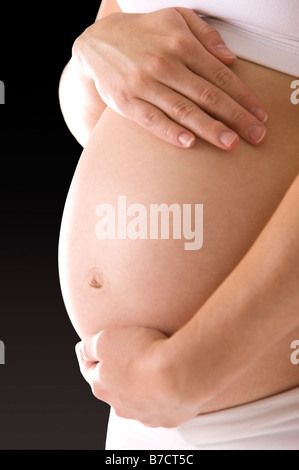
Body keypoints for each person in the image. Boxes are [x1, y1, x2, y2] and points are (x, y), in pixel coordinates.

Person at [58, 0, 299, 450]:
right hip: (142, 405)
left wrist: (194, 368)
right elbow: (92, 114)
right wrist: (90, 52)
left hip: (271, 406)